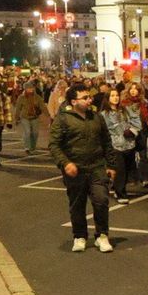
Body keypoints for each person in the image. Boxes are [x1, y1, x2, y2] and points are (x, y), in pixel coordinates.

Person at [49, 83, 115, 253]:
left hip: (97, 167)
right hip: (75, 169)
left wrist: (111, 164)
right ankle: (79, 236)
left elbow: (107, 141)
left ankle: (102, 236)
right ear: (73, 101)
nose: (89, 100)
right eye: (84, 98)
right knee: (77, 204)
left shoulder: (96, 117)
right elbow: (54, 145)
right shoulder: (63, 118)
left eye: (89, 97)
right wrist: (66, 163)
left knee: (101, 200)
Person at [100, 88, 141, 202]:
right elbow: (103, 131)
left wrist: (132, 131)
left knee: (127, 169)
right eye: (112, 96)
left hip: (129, 144)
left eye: (117, 95)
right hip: (115, 145)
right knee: (120, 169)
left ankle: (118, 188)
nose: (115, 97)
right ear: (108, 98)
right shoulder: (104, 115)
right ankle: (121, 193)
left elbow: (137, 122)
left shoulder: (125, 110)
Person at [13, 82, 46, 154]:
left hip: (35, 117)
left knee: (35, 133)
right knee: (27, 132)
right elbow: (18, 108)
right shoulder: (21, 97)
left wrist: (48, 115)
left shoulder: (37, 97)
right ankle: (27, 147)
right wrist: (16, 118)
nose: (31, 90)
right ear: (25, 89)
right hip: (25, 117)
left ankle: (32, 147)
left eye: (32, 88)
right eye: (29, 88)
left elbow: (43, 106)